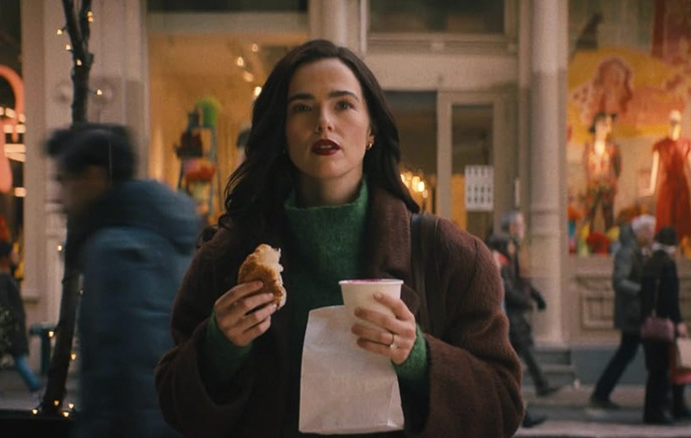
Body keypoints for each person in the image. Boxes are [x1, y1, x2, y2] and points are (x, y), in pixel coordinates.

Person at [155, 39, 523, 437]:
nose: (323, 122)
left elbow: (502, 405)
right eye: (302, 108)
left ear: (372, 129)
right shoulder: (227, 256)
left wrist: (420, 357)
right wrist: (218, 348)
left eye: (343, 104)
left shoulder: (447, 254)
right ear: (281, 130)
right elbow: (173, 404)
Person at [45, 123, 199, 437]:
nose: (58, 198)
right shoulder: (159, 234)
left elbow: (129, 380)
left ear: (94, 178)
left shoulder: (116, 250)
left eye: (64, 181)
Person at [589, 214, 655, 410]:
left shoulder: (639, 251)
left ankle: (601, 393)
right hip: (632, 314)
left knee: (627, 353)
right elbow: (619, 281)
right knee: (636, 353)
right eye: (649, 230)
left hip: (636, 312)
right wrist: (641, 290)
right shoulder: (628, 252)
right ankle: (601, 394)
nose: (652, 234)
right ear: (640, 232)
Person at [486, 233, 547, 428]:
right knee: (502, 377)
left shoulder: (503, 266)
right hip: (496, 333)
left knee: (506, 376)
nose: (498, 264)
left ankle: (521, 415)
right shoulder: (495, 269)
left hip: (501, 331)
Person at [500, 210, 560, 398]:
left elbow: (522, 278)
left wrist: (536, 296)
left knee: (516, 352)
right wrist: (525, 298)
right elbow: (507, 283)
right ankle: (539, 384)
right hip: (512, 309)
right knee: (523, 346)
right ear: (512, 227)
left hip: (517, 306)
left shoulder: (516, 247)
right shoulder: (506, 248)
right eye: (520, 224)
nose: (523, 228)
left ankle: (509, 390)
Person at [639, 226, 691, 425]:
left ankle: (656, 410)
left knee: (656, 371)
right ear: (673, 246)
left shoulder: (649, 263)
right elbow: (670, 298)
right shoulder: (668, 265)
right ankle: (660, 412)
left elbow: (644, 296)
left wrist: (645, 317)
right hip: (665, 324)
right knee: (668, 368)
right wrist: (679, 322)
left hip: (649, 324)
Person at [0, 240, 42, 395]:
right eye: (12, 253)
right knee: (17, 357)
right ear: (3, 258)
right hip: (10, 324)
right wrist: (13, 319)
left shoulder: (4, 277)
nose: (16, 256)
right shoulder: (0, 279)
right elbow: (4, 302)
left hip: (9, 323)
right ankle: (35, 385)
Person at [646, 110, 691, 240]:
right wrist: (651, 187)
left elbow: (690, 167)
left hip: (681, 184)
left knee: (681, 215)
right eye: (672, 122)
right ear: (669, 123)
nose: (675, 125)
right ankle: (665, 243)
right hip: (667, 184)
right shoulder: (661, 145)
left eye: (677, 122)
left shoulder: (686, 144)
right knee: (666, 215)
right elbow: (655, 169)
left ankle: (682, 243)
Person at [583, 112, 621, 231]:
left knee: (609, 216)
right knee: (589, 214)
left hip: (607, 186)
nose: (605, 129)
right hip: (592, 185)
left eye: (607, 125)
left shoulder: (613, 147)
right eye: (602, 125)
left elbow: (618, 167)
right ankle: (586, 240)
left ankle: (610, 242)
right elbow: (586, 165)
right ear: (596, 127)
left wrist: (612, 181)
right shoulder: (589, 147)